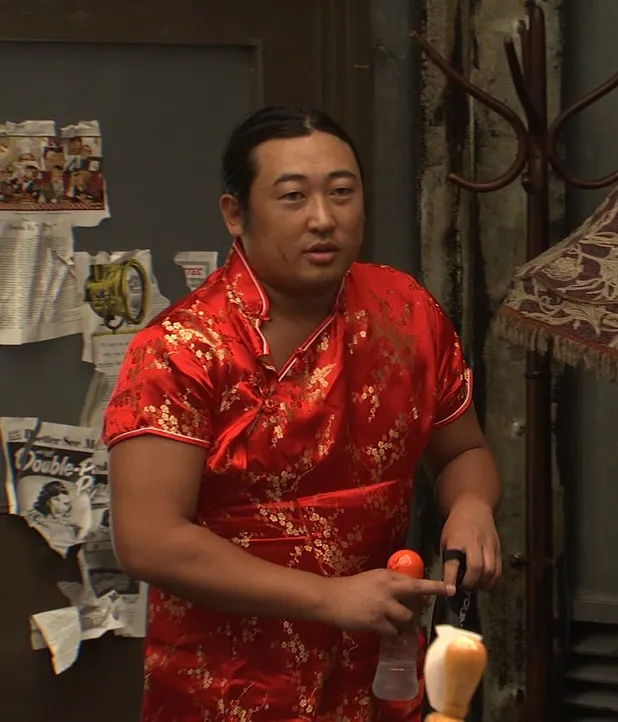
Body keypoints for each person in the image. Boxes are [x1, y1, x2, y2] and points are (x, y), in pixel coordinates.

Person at [105, 106, 503, 721]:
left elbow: (463, 452)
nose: (323, 218)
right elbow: (149, 540)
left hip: (375, 656)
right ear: (235, 214)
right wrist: (328, 598)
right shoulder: (181, 348)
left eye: (342, 192)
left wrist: (472, 507)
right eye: (293, 197)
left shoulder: (405, 310)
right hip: (231, 679)